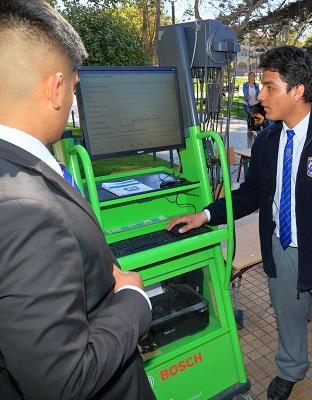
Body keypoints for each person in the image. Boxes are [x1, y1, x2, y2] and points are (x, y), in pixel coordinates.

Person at [167, 46, 312, 400]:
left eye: (269, 86)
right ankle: (290, 368)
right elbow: (250, 194)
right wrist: (206, 214)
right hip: (281, 250)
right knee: (287, 318)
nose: (260, 96)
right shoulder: (267, 140)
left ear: (297, 91)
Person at [0, 2, 155, 399]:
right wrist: (134, 301)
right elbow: (63, 380)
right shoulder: (26, 211)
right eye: (73, 86)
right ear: (55, 88)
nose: (72, 100)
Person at [243, 71, 261, 146]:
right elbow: (245, 92)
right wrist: (247, 97)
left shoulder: (256, 85)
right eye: (250, 76)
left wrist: (259, 97)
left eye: (253, 76)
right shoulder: (245, 85)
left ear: (254, 77)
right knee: (249, 117)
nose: (251, 77)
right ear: (248, 77)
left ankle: (255, 131)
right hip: (248, 104)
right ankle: (249, 130)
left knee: (256, 118)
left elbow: (258, 92)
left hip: (255, 104)